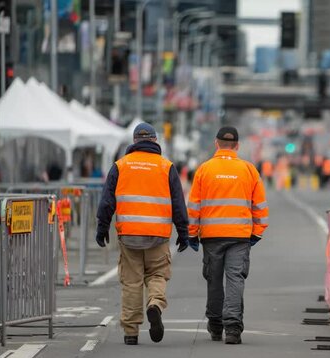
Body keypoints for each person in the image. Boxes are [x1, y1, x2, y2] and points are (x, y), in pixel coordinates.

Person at [96, 123, 190, 346]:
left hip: (129, 235)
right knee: (157, 275)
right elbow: (178, 203)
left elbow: (107, 202)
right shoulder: (166, 167)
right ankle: (155, 304)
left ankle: (131, 332)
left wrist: (102, 228)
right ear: (155, 141)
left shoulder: (120, 166)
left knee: (131, 282)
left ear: (135, 141)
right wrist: (184, 232)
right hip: (158, 235)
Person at [187, 126, 269, 345]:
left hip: (212, 236)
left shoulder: (204, 169)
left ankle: (215, 325)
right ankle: (232, 328)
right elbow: (260, 206)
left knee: (214, 280)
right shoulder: (248, 170)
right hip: (239, 236)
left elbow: (193, 206)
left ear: (216, 143)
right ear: (237, 146)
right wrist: (257, 233)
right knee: (235, 279)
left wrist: (192, 234)